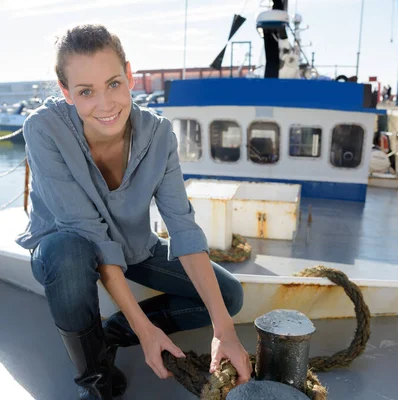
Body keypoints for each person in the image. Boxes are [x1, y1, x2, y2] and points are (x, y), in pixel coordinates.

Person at [15, 24, 252, 399]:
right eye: (85, 92)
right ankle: (94, 378)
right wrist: (147, 329)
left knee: (229, 296)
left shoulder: (159, 135)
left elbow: (184, 230)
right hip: (68, 248)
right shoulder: (43, 130)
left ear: (129, 74)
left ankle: (111, 333)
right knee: (70, 254)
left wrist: (224, 330)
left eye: (113, 83)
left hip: (132, 247)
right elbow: (89, 233)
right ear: (66, 92)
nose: (106, 105)